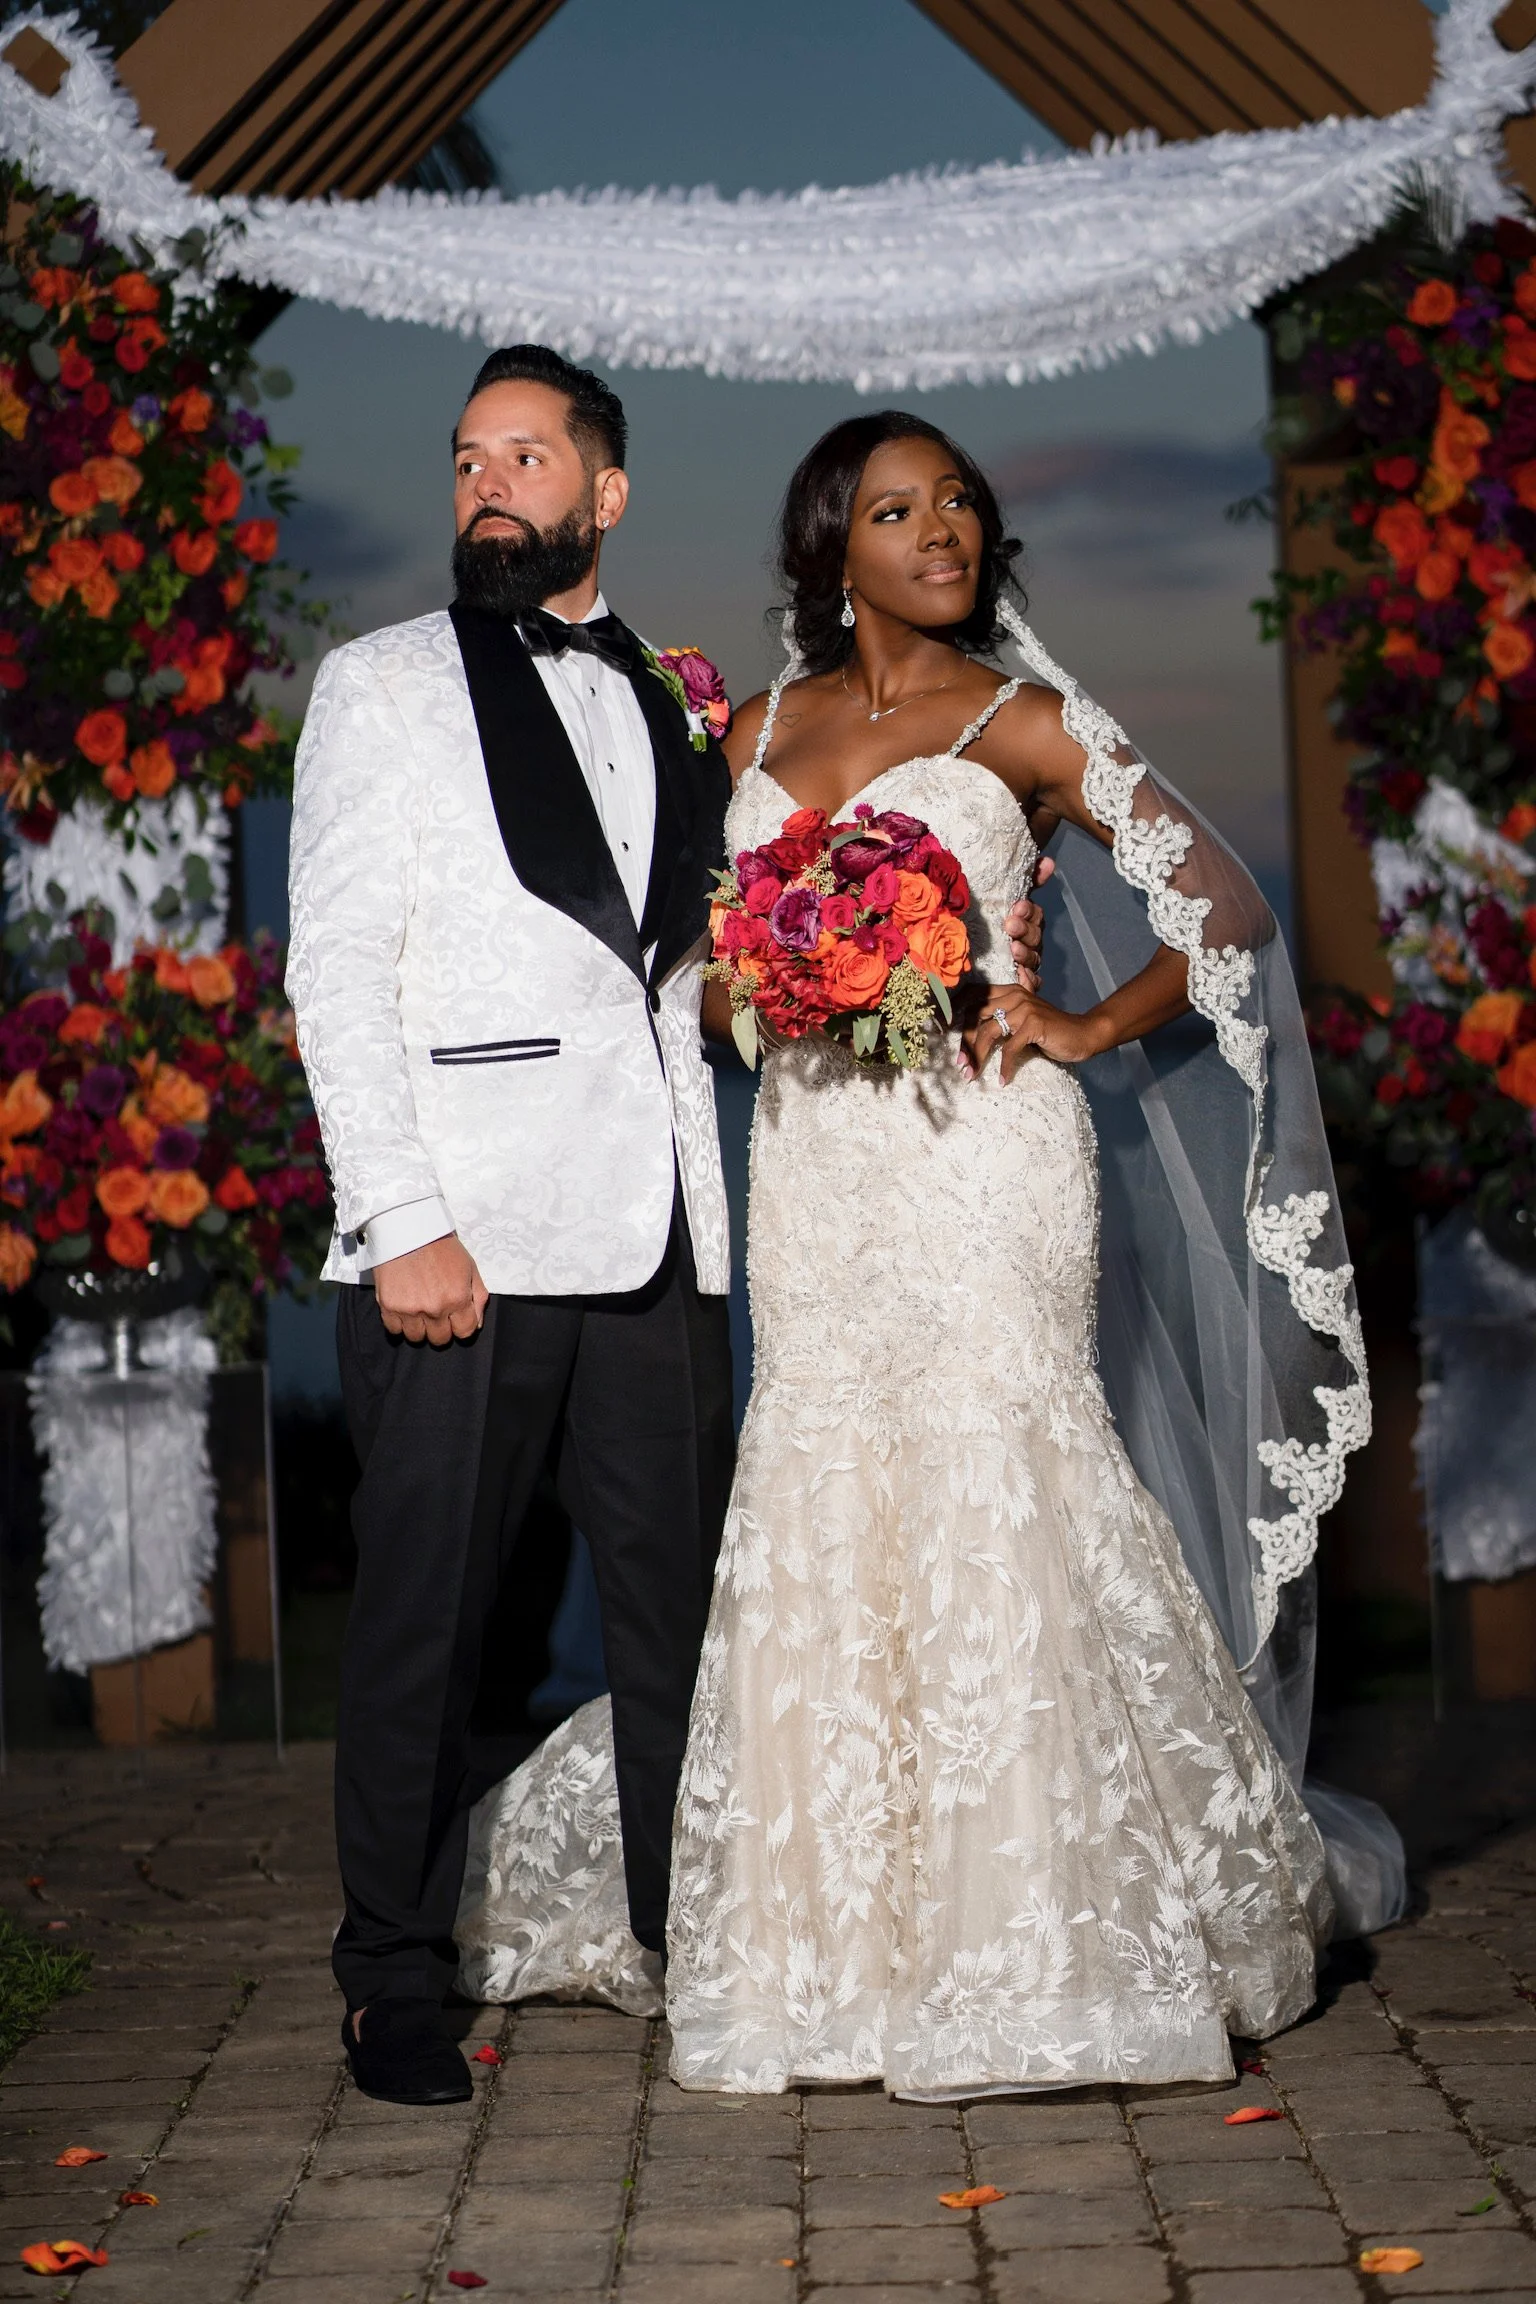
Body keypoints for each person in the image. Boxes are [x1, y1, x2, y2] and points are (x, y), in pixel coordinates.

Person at [458, 410, 1404, 2098]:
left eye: (960, 503)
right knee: (825, 1472)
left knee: (1002, 1458)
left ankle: (1041, 1933)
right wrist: (773, 988)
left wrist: (1080, 1023)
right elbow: (704, 982)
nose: (946, 531)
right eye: (901, 510)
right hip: (818, 1171)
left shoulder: (1025, 723)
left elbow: (1231, 906)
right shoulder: (747, 734)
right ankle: (837, 1940)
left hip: (989, 1158)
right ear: (834, 548)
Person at [287, 346, 750, 2104]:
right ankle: (390, 1977)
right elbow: (333, 964)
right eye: (470, 455)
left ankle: (684, 1932)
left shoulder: (679, 694)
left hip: (655, 1239)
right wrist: (399, 1216)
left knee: (676, 1619)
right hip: (457, 1243)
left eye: (530, 455)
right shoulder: (382, 683)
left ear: (604, 495)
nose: (491, 481)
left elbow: (678, 969)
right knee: (428, 1621)